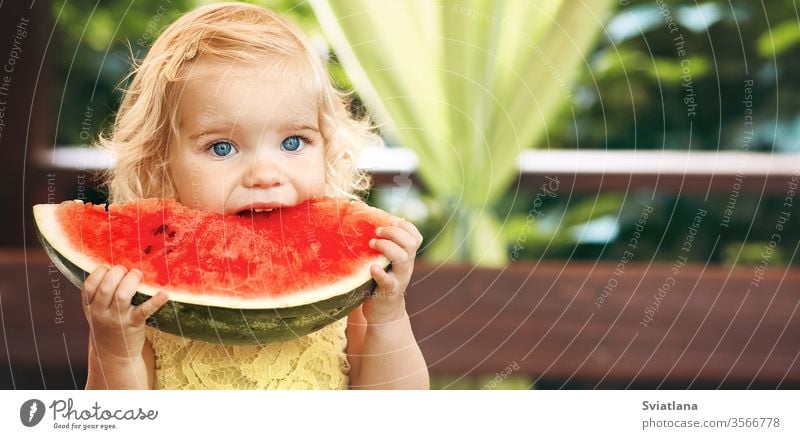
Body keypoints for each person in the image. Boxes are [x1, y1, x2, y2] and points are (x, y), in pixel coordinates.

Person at [81, 2, 428, 390]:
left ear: (327, 145)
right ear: (160, 161)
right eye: (222, 148)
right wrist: (116, 349)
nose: (265, 175)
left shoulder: (350, 294)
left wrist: (389, 316)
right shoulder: (145, 295)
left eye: (293, 142)